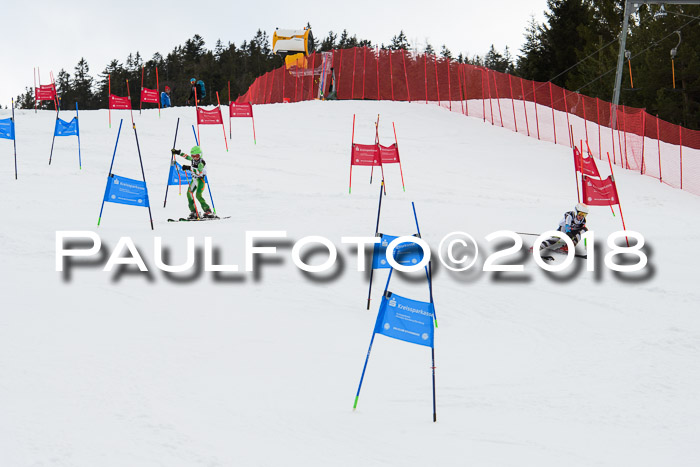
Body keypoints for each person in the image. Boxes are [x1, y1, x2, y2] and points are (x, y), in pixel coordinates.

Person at [170, 145, 214, 219]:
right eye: (193, 156)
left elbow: (199, 172)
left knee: (198, 195)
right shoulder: (193, 160)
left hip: (200, 181)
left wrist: (188, 168)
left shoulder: (201, 163)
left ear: (200, 155)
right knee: (189, 194)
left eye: (196, 156)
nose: (194, 158)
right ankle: (194, 212)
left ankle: (208, 210)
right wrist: (178, 152)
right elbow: (187, 157)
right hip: (194, 180)